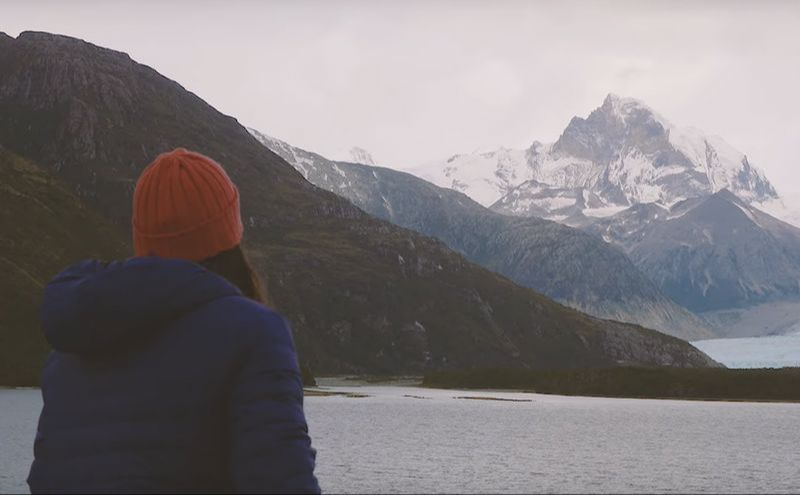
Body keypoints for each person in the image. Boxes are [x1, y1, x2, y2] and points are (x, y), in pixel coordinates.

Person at [27, 148, 320, 494]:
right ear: (230, 233)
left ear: (142, 237)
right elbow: (281, 480)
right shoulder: (253, 332)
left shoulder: (71, 347)